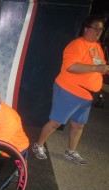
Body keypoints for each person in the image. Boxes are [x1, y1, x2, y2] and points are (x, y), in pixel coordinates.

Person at [32, 15, 109, 165]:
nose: (99, 31)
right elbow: (71, 67)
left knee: (78, 125)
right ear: (86, 28)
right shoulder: (76, 45)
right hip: (69, 91)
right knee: (55, 122)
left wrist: (103, 70)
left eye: (101, 28)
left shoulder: (97, 47)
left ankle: (70, 151)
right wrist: (96, 68)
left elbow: (96, 66)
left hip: (87, 95)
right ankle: (38, 145)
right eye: (96, 27)